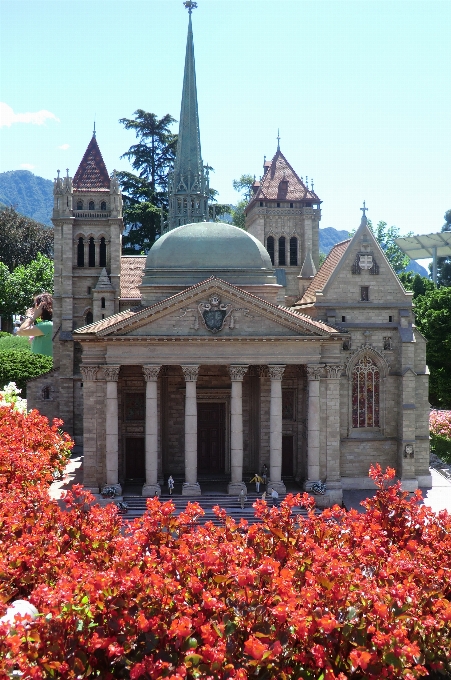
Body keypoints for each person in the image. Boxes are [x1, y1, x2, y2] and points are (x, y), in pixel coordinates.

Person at [17, 293, 53, 357]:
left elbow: (21, 331)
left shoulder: (48, 325)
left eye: (34, 305)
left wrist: (31, 317)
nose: (33, 308)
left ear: (40, 306)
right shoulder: (46, 325)